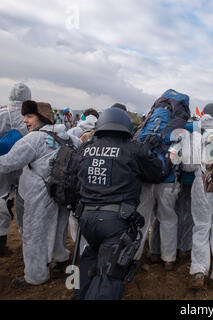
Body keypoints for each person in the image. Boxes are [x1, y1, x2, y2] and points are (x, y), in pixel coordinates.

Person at [73, 107, 168, 300]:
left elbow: (72, 177)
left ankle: (78, 294)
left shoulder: (84, 148)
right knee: (109, 274)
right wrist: (152, 152)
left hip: (86, 220)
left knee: (89, 258)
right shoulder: (133, 149)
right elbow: (158, 173)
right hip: (116, 223)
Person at [0, 100, 77, 287]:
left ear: (41, 117)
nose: (25, 121)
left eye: (29, 116)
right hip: (63, 192)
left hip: (39, 195)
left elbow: (7, 163)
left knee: (34, 234)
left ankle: (36, 276)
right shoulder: (67, 137)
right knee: (59, 228)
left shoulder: (33, 139)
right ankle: (60, 259)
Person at [184, 104, 213, 292]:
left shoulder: (197, 136)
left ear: (203, 115)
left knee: (201, 227)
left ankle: (198, 271)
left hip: (202, 183)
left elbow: (188, 166)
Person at [0, 83, 31, 255]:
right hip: (25, 167)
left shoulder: (2, 114)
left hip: (2, 165)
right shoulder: (30, 117)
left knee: (1, 200)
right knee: (25, 203)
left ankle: (1, 240)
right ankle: (27, 239)